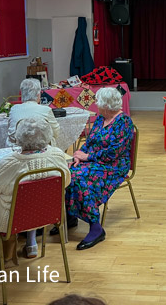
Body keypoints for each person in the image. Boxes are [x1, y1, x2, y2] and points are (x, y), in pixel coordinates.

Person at [0, 116, 70, 260]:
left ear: (18, 137)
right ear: (48, 135)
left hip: (11, 221)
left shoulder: (10, 163)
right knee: (34, 199)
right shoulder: (57, 156)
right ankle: (31, 242)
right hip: (48, 215)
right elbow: (65, 182)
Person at [57, 87, 133, 251]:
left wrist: (88, 157)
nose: (96, 105)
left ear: (107, 106)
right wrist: (79, 154)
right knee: (68, 172)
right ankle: (71, 215)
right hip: (95, 160)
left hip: (114, 165)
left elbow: (114, 152)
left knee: (81, 178)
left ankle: (95, 227)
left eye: (98, 102)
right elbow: (90, 141)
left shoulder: (124, 122)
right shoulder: (101, 118)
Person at [8, 78, 60, 147]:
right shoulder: (46, 110)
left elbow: (11, 134)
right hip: (40, 149)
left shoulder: (14, 109)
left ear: (22, 94)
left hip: (17, 149)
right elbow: (56, 132)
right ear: (38, 94)